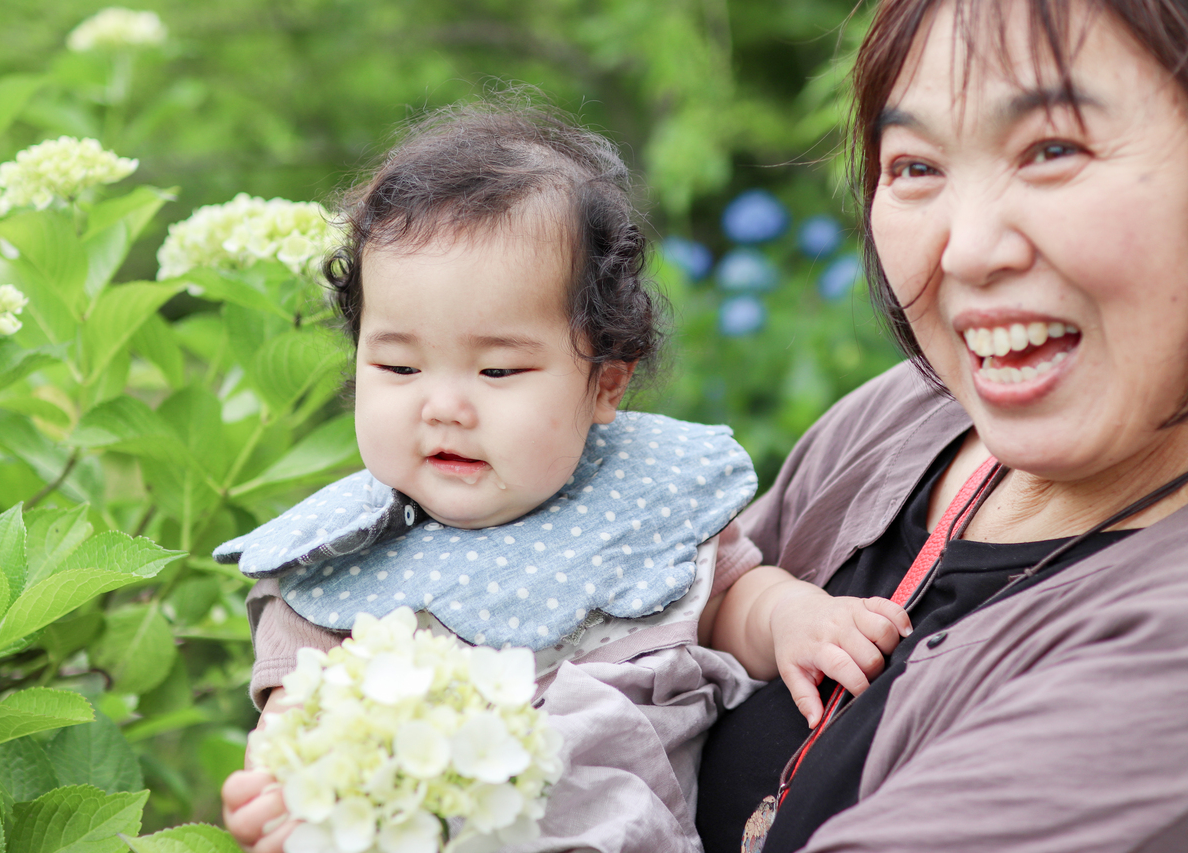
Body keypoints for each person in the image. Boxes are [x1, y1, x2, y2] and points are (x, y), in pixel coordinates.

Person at [217, 101, 914, 853]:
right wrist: (276, 789)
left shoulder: (645, 502)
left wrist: (793, 620)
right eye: (399, 365)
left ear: (606, 383)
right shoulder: (339, 562)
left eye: (497, 369)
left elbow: (730, 599)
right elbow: (295, 723)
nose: (443, 405)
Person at [696, 0, 1188, 850]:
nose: (964, 251)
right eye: (916, 166)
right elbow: (664, 619)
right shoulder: (904, 420)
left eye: (1053, 150)